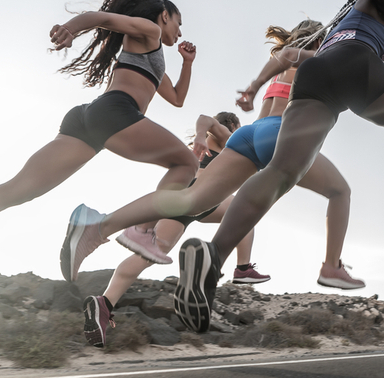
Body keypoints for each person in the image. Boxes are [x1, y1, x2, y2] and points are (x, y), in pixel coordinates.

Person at [172, 0, 384, 332]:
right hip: (357, 65)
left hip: (318, 73)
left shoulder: (352, 25)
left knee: (281, 173)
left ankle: (211, 262)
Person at [63, 18, 363, 332]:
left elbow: (283, 56)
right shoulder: (315, 60)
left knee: (190, 200)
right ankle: (329, 265)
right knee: (338, 192)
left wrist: (252, 88)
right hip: (283, 135)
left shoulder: (283, 63)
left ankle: (99, 226)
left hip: (248, 135)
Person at [0, 0, 199, 281]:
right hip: (115, 112)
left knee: (16, 190)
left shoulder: (152, 53)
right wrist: (71, 28)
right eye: (179, 22)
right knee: (187, 163)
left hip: (88, 119)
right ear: (164, 15)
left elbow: (176, 99)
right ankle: (141, 230)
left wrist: (187, 63)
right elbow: (104, 18)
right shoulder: (149, 30)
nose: (180, 30)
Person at [82, 112, 267, 348]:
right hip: (200, 192)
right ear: (232, 124)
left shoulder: (211, 144)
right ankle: (240, 268)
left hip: (185, 197)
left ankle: (104, 304)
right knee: (246, 211)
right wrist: (202, 133)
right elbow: (206, 118)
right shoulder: (229, 136)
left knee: (151, 251)